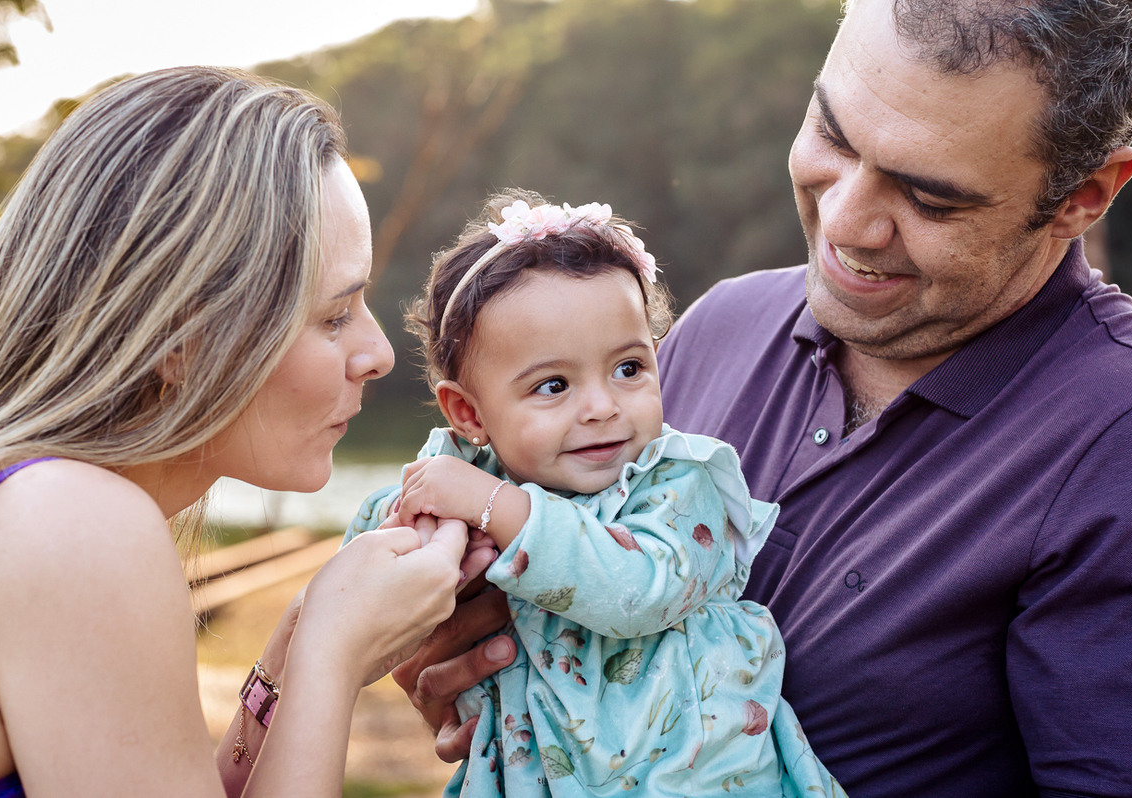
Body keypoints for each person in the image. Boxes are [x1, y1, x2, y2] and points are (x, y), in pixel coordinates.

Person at [390, 1, 1132, 797]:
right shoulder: (718, 325)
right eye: (833, 134)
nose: (846, 222)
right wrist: (491, 669)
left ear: (1083, 196)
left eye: (930, 198)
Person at [0, 66, 478, 798]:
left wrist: (290, 654)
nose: (376, 354)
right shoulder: (73, 527)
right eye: (333, 315)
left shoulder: (31, 507)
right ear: (183, 340)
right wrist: (332, 658)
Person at [343, 194, 842, 797]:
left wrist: (493, 506)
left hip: (691, 775)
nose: (603, 407)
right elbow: (364, 578)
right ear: (469, 413)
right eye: (554, 385)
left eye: (629, 369)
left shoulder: (679, 483)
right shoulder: (469, 478)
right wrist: (413, 520)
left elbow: (636, 592)